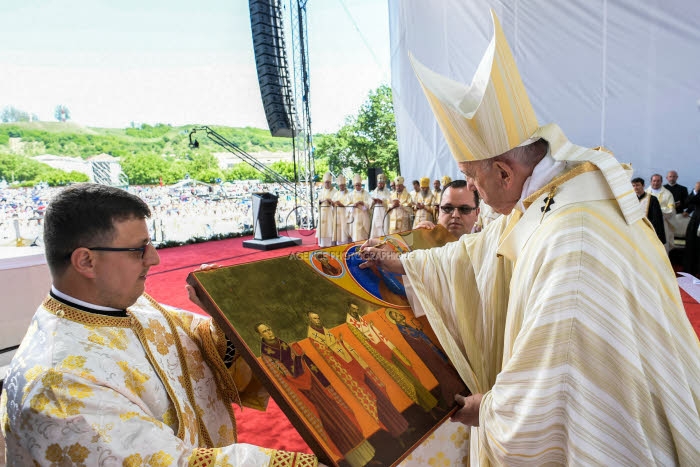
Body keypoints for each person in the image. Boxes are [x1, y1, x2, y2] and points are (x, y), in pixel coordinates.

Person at [361, 11, 699, 466]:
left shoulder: (573, 236)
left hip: (615, 417)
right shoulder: (553, 192)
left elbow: (556, 371)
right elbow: (486, 246)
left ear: (503, 171)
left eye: (471, 179)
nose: (473, 191)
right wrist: (410, 263)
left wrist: (492, 409)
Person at [0, 183, 319, 466]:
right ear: (86, 261)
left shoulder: (129, 302)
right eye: (138, 249)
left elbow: (197, 342)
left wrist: (227, 317)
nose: (154, 259)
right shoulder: (59, 382)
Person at [415, 180, 480, 238]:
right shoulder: (426, 245)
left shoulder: (485, 249)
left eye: (464, 209)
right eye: (448, 208)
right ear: (439, 211)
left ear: (477, 213)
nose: (455, 215)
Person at [632, 177, 666, 244]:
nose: (635, 187)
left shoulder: (652, 199)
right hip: (634, 229)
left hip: (648, 229)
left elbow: (656, 218)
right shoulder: (631, 199)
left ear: (643, 185)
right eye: (633, 185)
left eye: (638, 185)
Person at [647, 173, 676, 251]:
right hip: (648, 223)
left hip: (662, 222)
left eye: (658, 181)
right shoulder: (646, 193)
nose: (656, 183)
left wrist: (657, 210)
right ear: (651, 182)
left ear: (661, 182)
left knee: (662, 244)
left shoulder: (668, 194)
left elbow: (671, 210)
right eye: (654, 181)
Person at [317, 171, 337, 247]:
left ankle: (330, 243)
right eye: (326, 182)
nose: (327, 184)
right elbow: (317, 201)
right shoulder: (321, 191)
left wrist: (331, 202)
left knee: (330, 227)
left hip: (330, 212)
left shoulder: (335, 191)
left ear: (331, 182)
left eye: (328, 182)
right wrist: (320, 201)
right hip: (322, 212)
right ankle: (322, 243)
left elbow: (336, 203)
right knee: (323, 228)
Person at [684, 181, 700, 276]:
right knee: (692, 246)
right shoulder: (698, 190)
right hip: (697, 221)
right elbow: (688, 202)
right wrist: (696, 190)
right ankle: (691, 271)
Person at [350, 174, 371, 242]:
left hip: (364, 216)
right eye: (356, 185)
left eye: (359, 185)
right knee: (356, 235)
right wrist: (353, 205)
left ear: (361, 185)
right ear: (354, 185)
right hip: (355, 217)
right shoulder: (351, 194)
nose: (358, 186)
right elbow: (348, 205)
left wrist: (363, 203)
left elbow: (370, 203)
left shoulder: (366, 193)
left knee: (364, 234)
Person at [332, 175, 353, 245]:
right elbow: (333, 205)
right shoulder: (335, 194)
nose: (341, 186)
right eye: (340, 185)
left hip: (345, 216)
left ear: (345, 185)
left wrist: (342, 205)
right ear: (338, 185)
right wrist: (333, 204)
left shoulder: (349, 194)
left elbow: (351, 205)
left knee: (344, 233)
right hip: (337, 216)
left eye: (343, 185)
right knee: (338, 232)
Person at [369, 173, 391, 238]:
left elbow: (389, 203)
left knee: (384, 227)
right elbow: (370, 202)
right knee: (375, 227)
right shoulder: (374, 192)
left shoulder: (388, 192)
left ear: (384, 184)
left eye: (382, 183)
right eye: (379, 183)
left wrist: (381, 202)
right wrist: (373, 201)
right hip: (376, 211)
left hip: (384, 212)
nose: (380, 185)